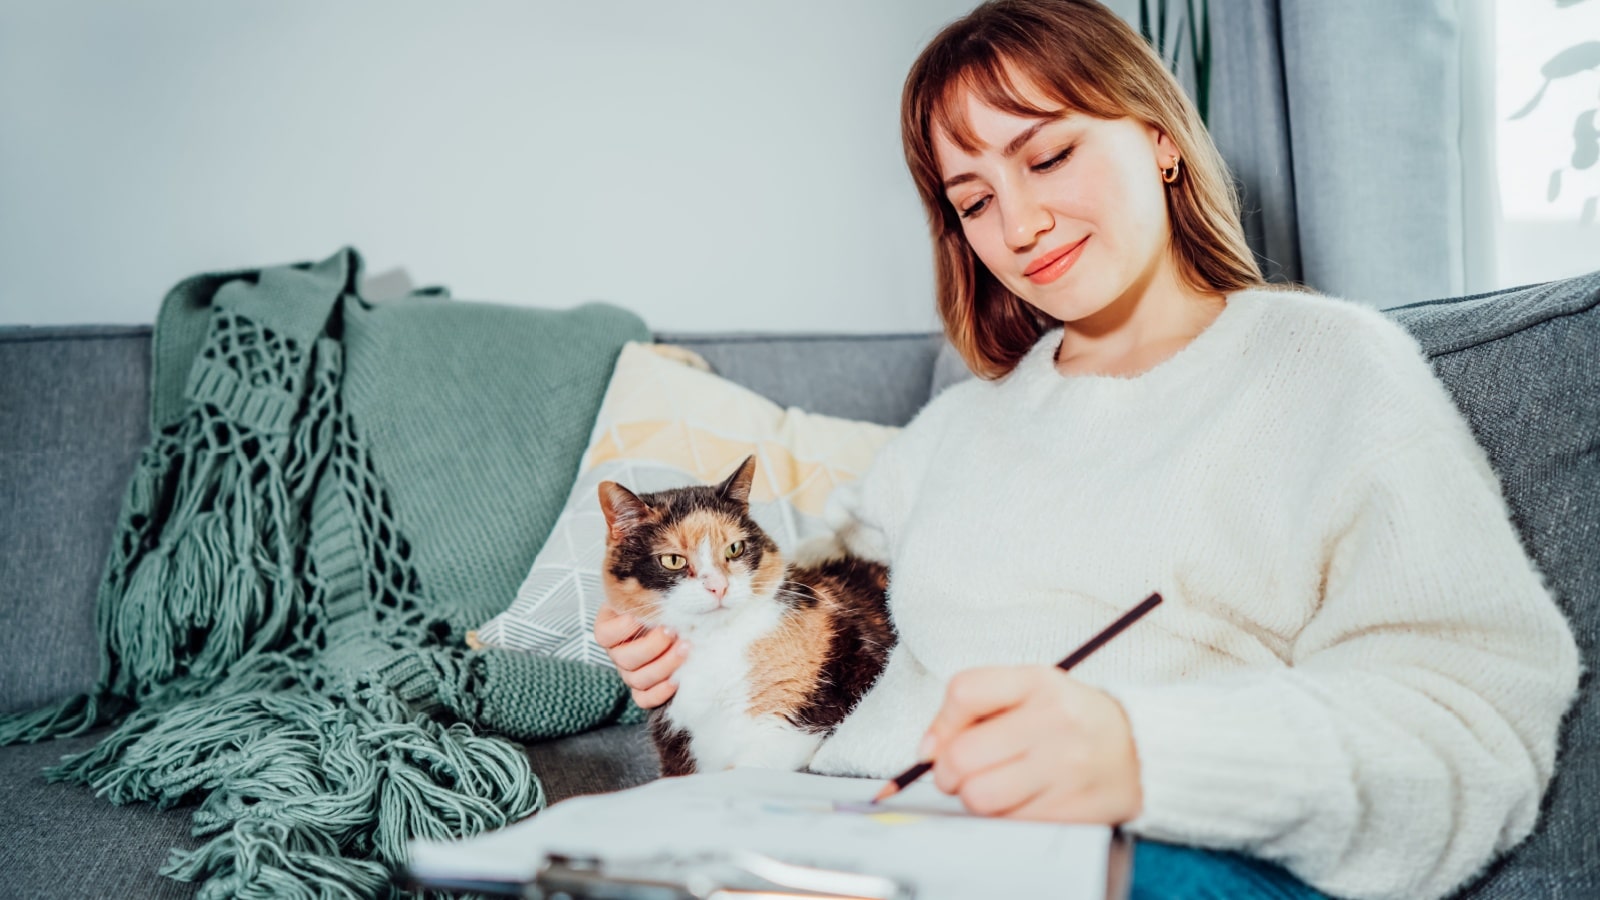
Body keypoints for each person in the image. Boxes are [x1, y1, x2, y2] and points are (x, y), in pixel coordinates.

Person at [593, 1, 1581, 897]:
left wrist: (1146, 755)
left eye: (1048, 155)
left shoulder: (1330, 369)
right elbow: (796, 578)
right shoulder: (959, 432)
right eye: (973, 202)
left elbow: (1475, 730)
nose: (1018, 225)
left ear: (1156, 137)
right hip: (891, 831)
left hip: (1165, 851)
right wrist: (691, 641)